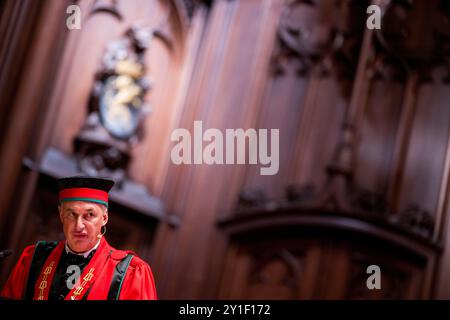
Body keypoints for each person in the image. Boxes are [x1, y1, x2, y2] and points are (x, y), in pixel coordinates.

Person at [0, 176, 157, 300]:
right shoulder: (34, 258)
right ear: (61, 215)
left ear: (104, 218)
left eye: (89, 215)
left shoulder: (130, 273)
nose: (79, 225)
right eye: (71, 214)